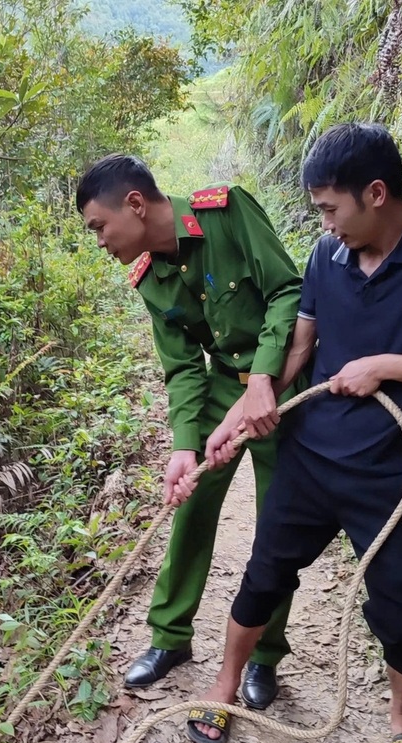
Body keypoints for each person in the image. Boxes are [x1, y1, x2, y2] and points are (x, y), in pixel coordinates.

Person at [186, 123, 402, 743]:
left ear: (376, 193)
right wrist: (246, 407)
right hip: (311, 457)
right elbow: (299, 347)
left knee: (399, 604)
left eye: (329, 207)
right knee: (265, 572)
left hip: (388, 474)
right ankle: (225, 684)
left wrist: (382, 365)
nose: (325, 222)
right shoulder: (326, 257)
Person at [76, 155, 303, 707]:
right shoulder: (148, 276)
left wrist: (265, 378)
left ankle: (266, 655)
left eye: (99, 227)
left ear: (135, 204)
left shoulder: (225, 212)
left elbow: (287, 291)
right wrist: (184, 446)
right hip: (226, 386)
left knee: (279, 525)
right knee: (190, 501)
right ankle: (171, 637)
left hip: (286, 384)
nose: (100, 241)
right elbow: (182, 366)